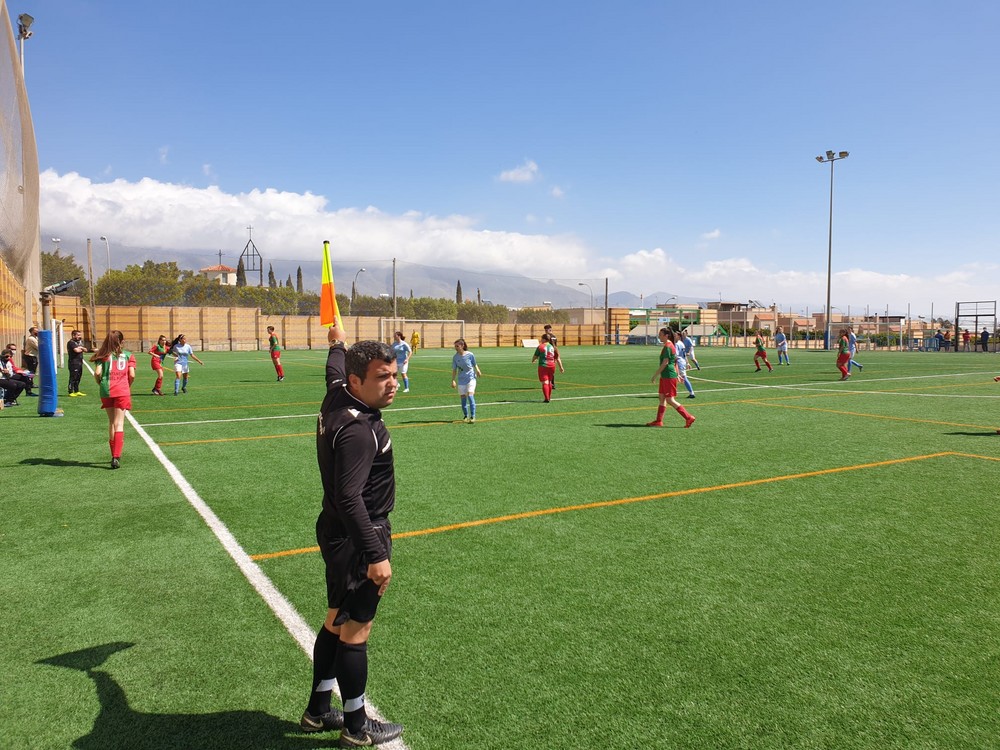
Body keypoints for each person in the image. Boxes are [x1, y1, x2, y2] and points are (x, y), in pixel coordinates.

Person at [300, 324, 404, 747]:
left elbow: (333, 367)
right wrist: (375, 552)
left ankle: (317, 710)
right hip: (359, 535)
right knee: (356, 631)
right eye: (383, 377)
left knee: (333, 621)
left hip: (334, 532)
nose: (393, 384)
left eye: (394, 374)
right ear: (359, 381)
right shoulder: (360, 430)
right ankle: (357, 727)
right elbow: (349, 496)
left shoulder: (337, 391)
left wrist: (337, 342)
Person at [91, 331, 136, 469]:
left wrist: (100, 383)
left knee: (111, 422)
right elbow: (132, 375)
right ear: (121, 342)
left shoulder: (103, 355)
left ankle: (113, 454)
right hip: (122, 390)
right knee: (119, 423)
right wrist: (126, 385)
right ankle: (116, 456)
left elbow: (97, 373)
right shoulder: (129, 355)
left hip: (106, 390)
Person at [647, 327, 696, 428]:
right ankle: (658, 421)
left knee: (670, 400)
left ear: (666, 335)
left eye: (660, 335)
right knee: (661, 397)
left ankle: (688, 417)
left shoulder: (669, 346)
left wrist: (655, 375)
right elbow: (675, 361)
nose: (659, 336)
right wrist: (677, 373)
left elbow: (666, 363)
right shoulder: (668, 345)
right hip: (666, 376)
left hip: (668, 376)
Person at [451, 338, 482, 422]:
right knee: (463, 398)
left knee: (470, 395)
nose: (456, 348)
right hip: (461, 380)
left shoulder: (470, 354)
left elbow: (474, 363)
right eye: (455, 346)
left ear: (462, 346)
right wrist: (453, 380)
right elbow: (454, 370)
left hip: (471, 378)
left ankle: (473, 416)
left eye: (457, 346)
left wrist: (478, 370)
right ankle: (465, 416)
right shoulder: (455, 357)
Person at [531, 333, 563, 403]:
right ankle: (549, 397)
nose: (541, 340)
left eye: (541, 338)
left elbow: (535, 356)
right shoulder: (553, 347)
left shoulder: (541, 346)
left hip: (543, 366)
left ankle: (546, 398)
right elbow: (557, 358)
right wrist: (561, 367)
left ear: (544, 339)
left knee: (545, 382)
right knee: (550, 382)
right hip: (552, 366)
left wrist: (533, 360)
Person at [672, 329, 696, 398]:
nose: (674, 337)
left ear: (679, 337)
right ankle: (673, 392)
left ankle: (692, 393)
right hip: (682, 362)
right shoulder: (681, 343)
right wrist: (687, 363)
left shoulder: (677, 344)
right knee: (676, 377)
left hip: (679, 363)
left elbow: (676, 356)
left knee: (683, 377)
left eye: (675, 336)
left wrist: (673, 363)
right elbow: (684, 354)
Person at [67, 330, 88, 396]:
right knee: (73, 377)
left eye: (80, 335)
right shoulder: (71, 343)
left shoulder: (79, 342)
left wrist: (81, 348)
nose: (80, 336)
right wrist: (81, 348)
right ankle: (70, 391)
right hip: (73, 363)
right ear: (73, 335)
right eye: (78, 335)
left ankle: (76, 391)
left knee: (78, 377)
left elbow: (86, 350)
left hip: (79, 362)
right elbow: (77, 350)